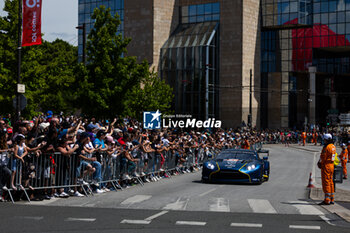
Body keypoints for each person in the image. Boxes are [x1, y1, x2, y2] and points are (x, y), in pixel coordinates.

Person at [317, 134, 336, 205]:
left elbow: (323, 157)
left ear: (326, 139)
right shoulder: (333, 146)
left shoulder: (327, 147)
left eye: (324, 139)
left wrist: (320, 163)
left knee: (326, 182)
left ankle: (327, 199)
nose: (323, 140)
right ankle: (332, 198)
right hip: (331, 165)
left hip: (326, 165)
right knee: (331, 181)